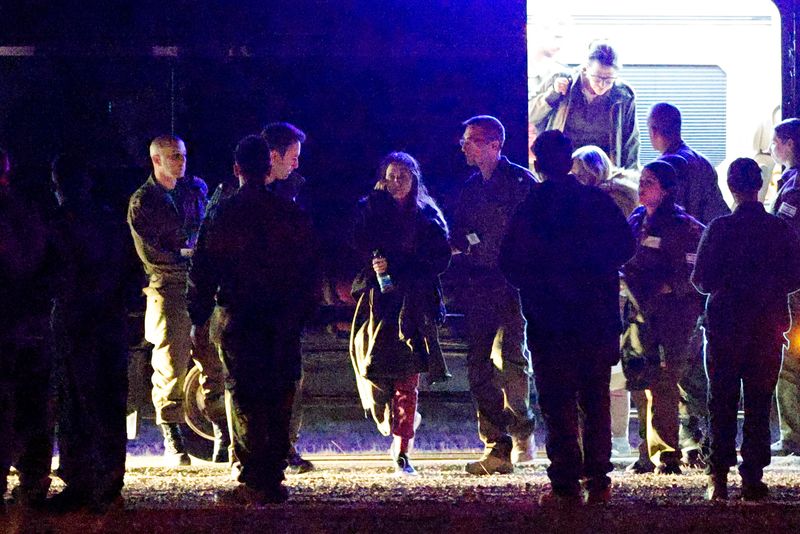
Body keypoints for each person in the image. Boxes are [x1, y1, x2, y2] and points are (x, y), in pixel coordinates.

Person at [500, 130, 634, 504]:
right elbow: (625, 245)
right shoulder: (596, 201)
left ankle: (565, 485)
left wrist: (538, 283)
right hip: (594, 317)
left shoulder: (532, 206)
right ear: (569, 162)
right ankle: (599, 480)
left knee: (557, 403)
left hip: (549, 320)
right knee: (595, 399)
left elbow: (508, 260)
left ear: (539, 164)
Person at [189, 135, 319, 505]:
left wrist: (199, 316)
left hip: (240, 317)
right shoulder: (290, 213)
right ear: (267, 168)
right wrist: (303, 313)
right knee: (279, 394)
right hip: (280, 320)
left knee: (245, 396)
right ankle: (273, 474)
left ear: (237, 170)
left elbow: (203, 268)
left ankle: (252, 476)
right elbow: (310, 269)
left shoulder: (224, 213)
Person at [692, 157, 800, 501]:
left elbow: (702, 280)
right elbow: (795, 274)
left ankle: (718, 476)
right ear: (760, 185)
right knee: (758, 401)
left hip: (725, 324)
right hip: (767, 323)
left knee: (720, 400)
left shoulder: (720, 228)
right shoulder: (778, 229)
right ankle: (752, 476)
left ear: (731, 187)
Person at [127, 134, 227, 466]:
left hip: (202, 286)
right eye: (173, 156)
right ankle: (173, 435)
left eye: (182, 155)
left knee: (213, 359)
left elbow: (209, 234)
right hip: (168, 287)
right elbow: (155, 255)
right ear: (156, 160)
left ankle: (222, 432)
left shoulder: (195, 191)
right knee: (170, 362)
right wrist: (189, 253)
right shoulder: (144, 202)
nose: (180, 161)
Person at [350, 152, 451, 475]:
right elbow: (357, 240)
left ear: (414, 180)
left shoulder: (426, 214)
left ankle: (403, 446)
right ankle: (392, 420)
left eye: (403, 177)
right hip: (377, 304)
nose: (397, 183)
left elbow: (439, 255)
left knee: (408, 378)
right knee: (374, 370)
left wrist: (403, 266)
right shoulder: (371, 207)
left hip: (413, 303)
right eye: (391, 176)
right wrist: (377, 204)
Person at [47, 154, 134, 513]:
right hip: (110, 325)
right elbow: (132, 275)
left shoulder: (59, 223)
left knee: (75, 404)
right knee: (110, 403)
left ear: (58, 185)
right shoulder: (111, 222)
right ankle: (110, 481)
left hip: (75, 325)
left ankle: (81, 482)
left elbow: (50, 274)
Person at [452, 115, 537, 475]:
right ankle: (496, 442)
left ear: (494, 144)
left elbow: (537, 233)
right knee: (478, 364)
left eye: (472, 139)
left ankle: (522, 429)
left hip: (516, 285)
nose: (464, 145)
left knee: (513, 361)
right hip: (481, 285)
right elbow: (461, 233)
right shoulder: (471, 188)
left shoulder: (522, 183)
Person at [622, 160, 705, 475]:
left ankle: (667, 454)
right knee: (639, 379)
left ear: (667, 188)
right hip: (638, 315)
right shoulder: (636, 219)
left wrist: (668, 288)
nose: (643, 186)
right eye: (642, 180)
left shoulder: (684, 226)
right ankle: (646, 452)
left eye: (651, 181)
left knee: (665, 382)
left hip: (672, 316)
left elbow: (693, 273)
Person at [0, 148, 59, 510]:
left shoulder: (19, 214)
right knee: (32, 406)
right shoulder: (27, 212)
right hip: (28, 325)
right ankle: (33, 482)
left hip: (15, 325)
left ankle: (31, 481)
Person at [571, 145, 637, 456]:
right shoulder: (599, 200)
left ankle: (618, 437)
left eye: (583, 172)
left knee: (614, 372)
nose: (579, 178)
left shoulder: (612, 200)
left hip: (616, 291)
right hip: (602, 290)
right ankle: (610, 440)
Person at [261, 121, 314, 474]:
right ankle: (253, 453)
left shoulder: (292, 193)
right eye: (292, 157)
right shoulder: (238, 199)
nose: (297, 164)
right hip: (256, 305)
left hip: (285, 307)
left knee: (290, 380)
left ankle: (284, 447)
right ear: (273, 156)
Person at [530, 42, 640, 169]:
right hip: (561, 169)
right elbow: (531, 115)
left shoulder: (624, 96)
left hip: (602, 172)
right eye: (597, 78)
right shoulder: (562, 81)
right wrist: (553, 94)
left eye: (609, 81)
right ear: (585, 69)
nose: (602, 85)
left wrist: (631, 178)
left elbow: (631, 141)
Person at [769, 117, 800, 456]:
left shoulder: (794, 185)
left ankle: (792, 435)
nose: (772, 148)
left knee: (790, 360)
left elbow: (783, 231)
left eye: (776, 141)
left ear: (790, 144)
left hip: (793, 284)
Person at [648, 102, 729, 225]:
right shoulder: (703, 161)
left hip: (677, 239)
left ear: (653, 131)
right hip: (707, 237)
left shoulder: (662, 169)